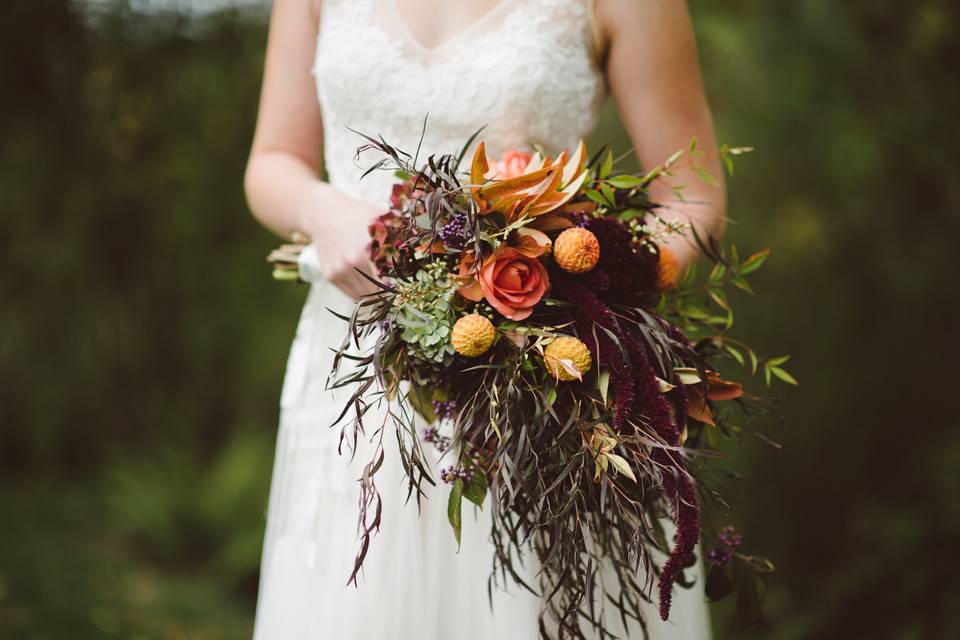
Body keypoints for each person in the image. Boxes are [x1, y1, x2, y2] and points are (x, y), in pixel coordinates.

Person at [245, 0, 725, 637]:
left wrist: (589, 291)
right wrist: (322, 210)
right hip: (355, 366)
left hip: (540, 379)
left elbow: (692, 194)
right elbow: (272, 160)